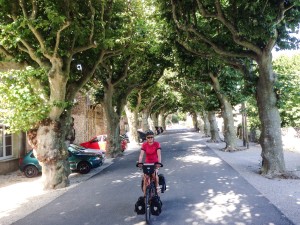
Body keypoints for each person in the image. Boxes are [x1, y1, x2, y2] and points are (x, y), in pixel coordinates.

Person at [138, 130, 162, 195]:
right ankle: (145, 196)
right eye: (148, 137)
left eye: (151, 137)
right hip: (147, 163)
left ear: (153, 137)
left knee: (154, 175)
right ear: (146, 138)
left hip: (155, 163)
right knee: (145, 178)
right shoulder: (144, 145)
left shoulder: (157, 144)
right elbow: (141, 155)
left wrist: (159, 163)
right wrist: (140, 163)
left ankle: (157, 187)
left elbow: (159, 155)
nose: (150, 138)